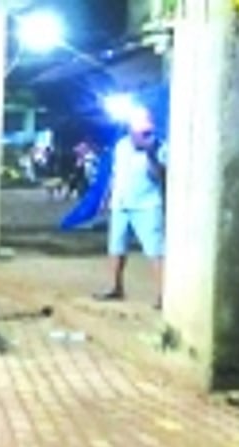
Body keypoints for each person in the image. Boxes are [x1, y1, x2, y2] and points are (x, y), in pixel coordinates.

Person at [94, 110, 167, 309]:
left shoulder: (160, 147)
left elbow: (159, 175)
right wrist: (106, 197)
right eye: (136, 129)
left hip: (147, 205)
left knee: (156, 250)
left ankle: (163, 295)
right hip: (120, 203)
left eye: (143, 129)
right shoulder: (121, 145)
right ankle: (114, 287)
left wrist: (149, 152)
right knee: (116, 247)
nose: (139, 134)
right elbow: (115, 174)